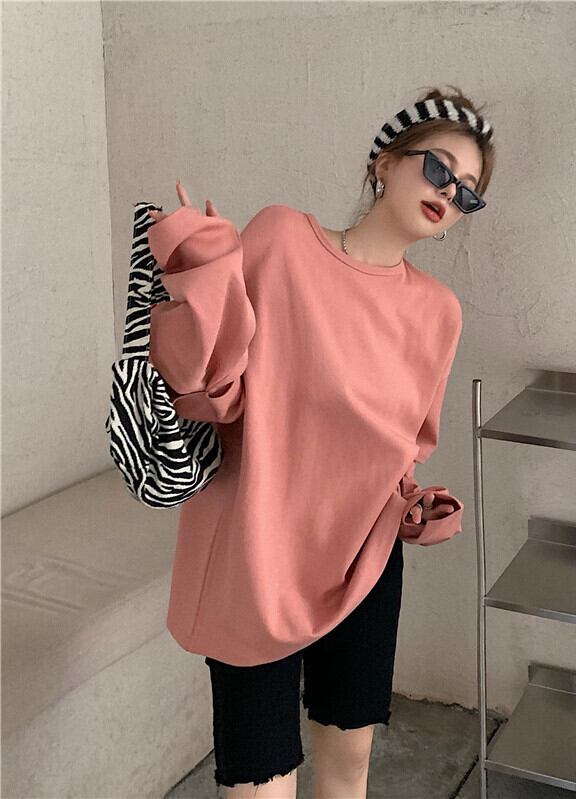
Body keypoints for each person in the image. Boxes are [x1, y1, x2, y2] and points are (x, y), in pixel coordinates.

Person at [146, 85, 496, 799]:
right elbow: (211, 394)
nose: (449, 194)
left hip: (364, 559)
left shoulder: (438, 313)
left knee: (348, 772)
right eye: (439, 169)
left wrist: (414, 503)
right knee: (260, 782)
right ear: (385, 162)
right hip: (258, 555)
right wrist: (199, 277)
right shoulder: (280, 240)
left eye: (467, 193)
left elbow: (403, 449)